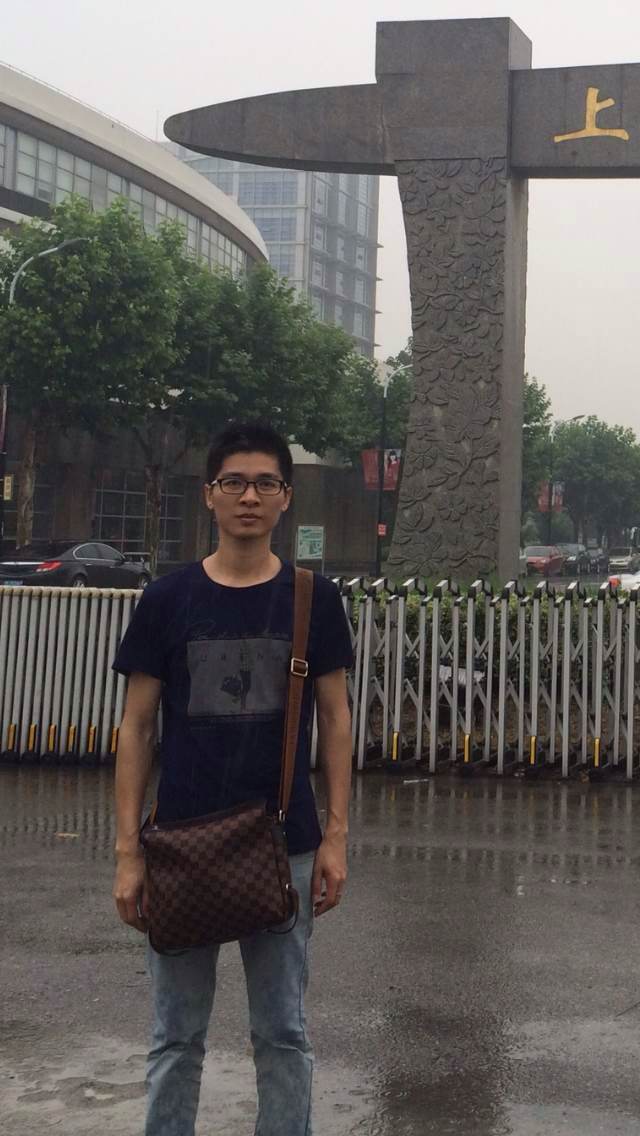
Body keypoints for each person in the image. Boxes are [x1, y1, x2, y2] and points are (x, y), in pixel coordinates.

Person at [112, 421, 353, 1136]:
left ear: (286, 497)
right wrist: (127, 853)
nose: (250, 496)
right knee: (175, 1038)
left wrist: (336, 836)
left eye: (265, 483)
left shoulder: (313, 599)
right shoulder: (167, 599)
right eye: (235, 483)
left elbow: (336, 720)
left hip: (284, 843)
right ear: (210, 494)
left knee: (283, 1032)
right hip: (179, 846)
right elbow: (136, 728)